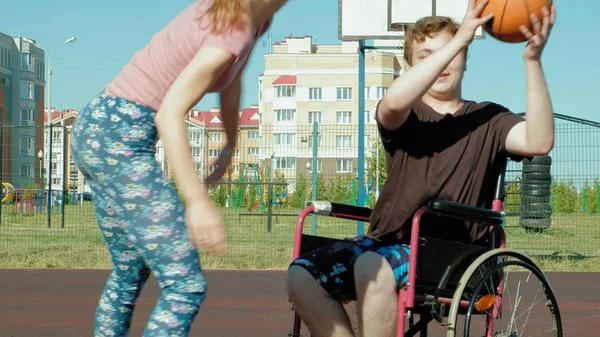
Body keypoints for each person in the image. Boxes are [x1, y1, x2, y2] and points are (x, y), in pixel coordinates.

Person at [286, 0, 556, 336]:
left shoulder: (491, 119)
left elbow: (540, 140)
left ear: (466, 61)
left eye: (450, 53)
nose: (441, 64)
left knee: (372, 266)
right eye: (426, 56)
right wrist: (457, 41)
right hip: (384, 243)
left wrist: (532, 61)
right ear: (410, 67)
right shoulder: (405, 114)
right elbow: (395, 101)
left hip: (453, 254)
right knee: (301, 274)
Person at [70, 0, 287, 336]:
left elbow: (231, 79)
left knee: (130, 273)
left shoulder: (257, 20)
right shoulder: (236, 26)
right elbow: (169, 112)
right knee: (184, 286)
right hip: (120, 138)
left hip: (97, 128)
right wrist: (196, 200)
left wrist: (230, 142)